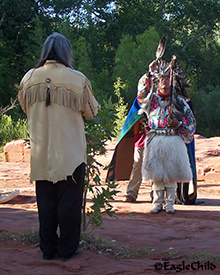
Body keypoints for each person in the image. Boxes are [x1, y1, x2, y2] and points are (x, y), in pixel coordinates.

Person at [18, 32, 98, 260]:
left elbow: (26, 108)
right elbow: (91, 112)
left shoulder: (29, 78)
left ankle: (47, 249)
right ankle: (67, 249)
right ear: (66, 53)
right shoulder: (77, 78)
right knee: (69, 205)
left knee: (45, 204)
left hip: (42, 153)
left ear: (45, 52)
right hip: (70, 154)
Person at [137, 56, 196, 214]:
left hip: (173, 139)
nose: (164, 81)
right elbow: (141, 95)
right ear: (157, 80)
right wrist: (149, 73)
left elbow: (191, 123)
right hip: (156, 138)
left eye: (167, 77)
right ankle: (157, 202)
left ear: (172, 80)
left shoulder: (180, 103)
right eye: (161, 78)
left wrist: (179, 124)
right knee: (156, 175)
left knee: (171, 174)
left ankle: (170, 203)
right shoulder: (151, 100)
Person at [123, 117, 147, 202]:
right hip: (141, 139)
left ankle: (156, 194)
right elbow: (134, 114)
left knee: (156, 166)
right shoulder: (139, 103)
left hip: (157, 139)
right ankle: (131, 193)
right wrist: (139, 118)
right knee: (137, 166)